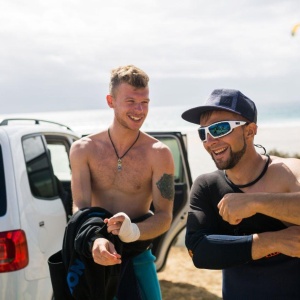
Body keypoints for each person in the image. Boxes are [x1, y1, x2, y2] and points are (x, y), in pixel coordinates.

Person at [68, 65, 175, 299]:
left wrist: (133, 231)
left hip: (137, 256)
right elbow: (81, 207)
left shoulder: (159, 153)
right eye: (130, 101)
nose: (139, 110)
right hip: (93, 253)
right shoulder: (83, 149)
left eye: (144, 102)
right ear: (111, 101)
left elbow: (165, 216)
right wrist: (94, 240)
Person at [181, 89, 300, 299]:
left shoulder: (288, 172)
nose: (209, 141)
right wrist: (273, 241)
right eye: (203, 133)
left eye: (219, 129)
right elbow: (199, 251)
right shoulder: (208, 186)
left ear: (250, 131)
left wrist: (255, 202)